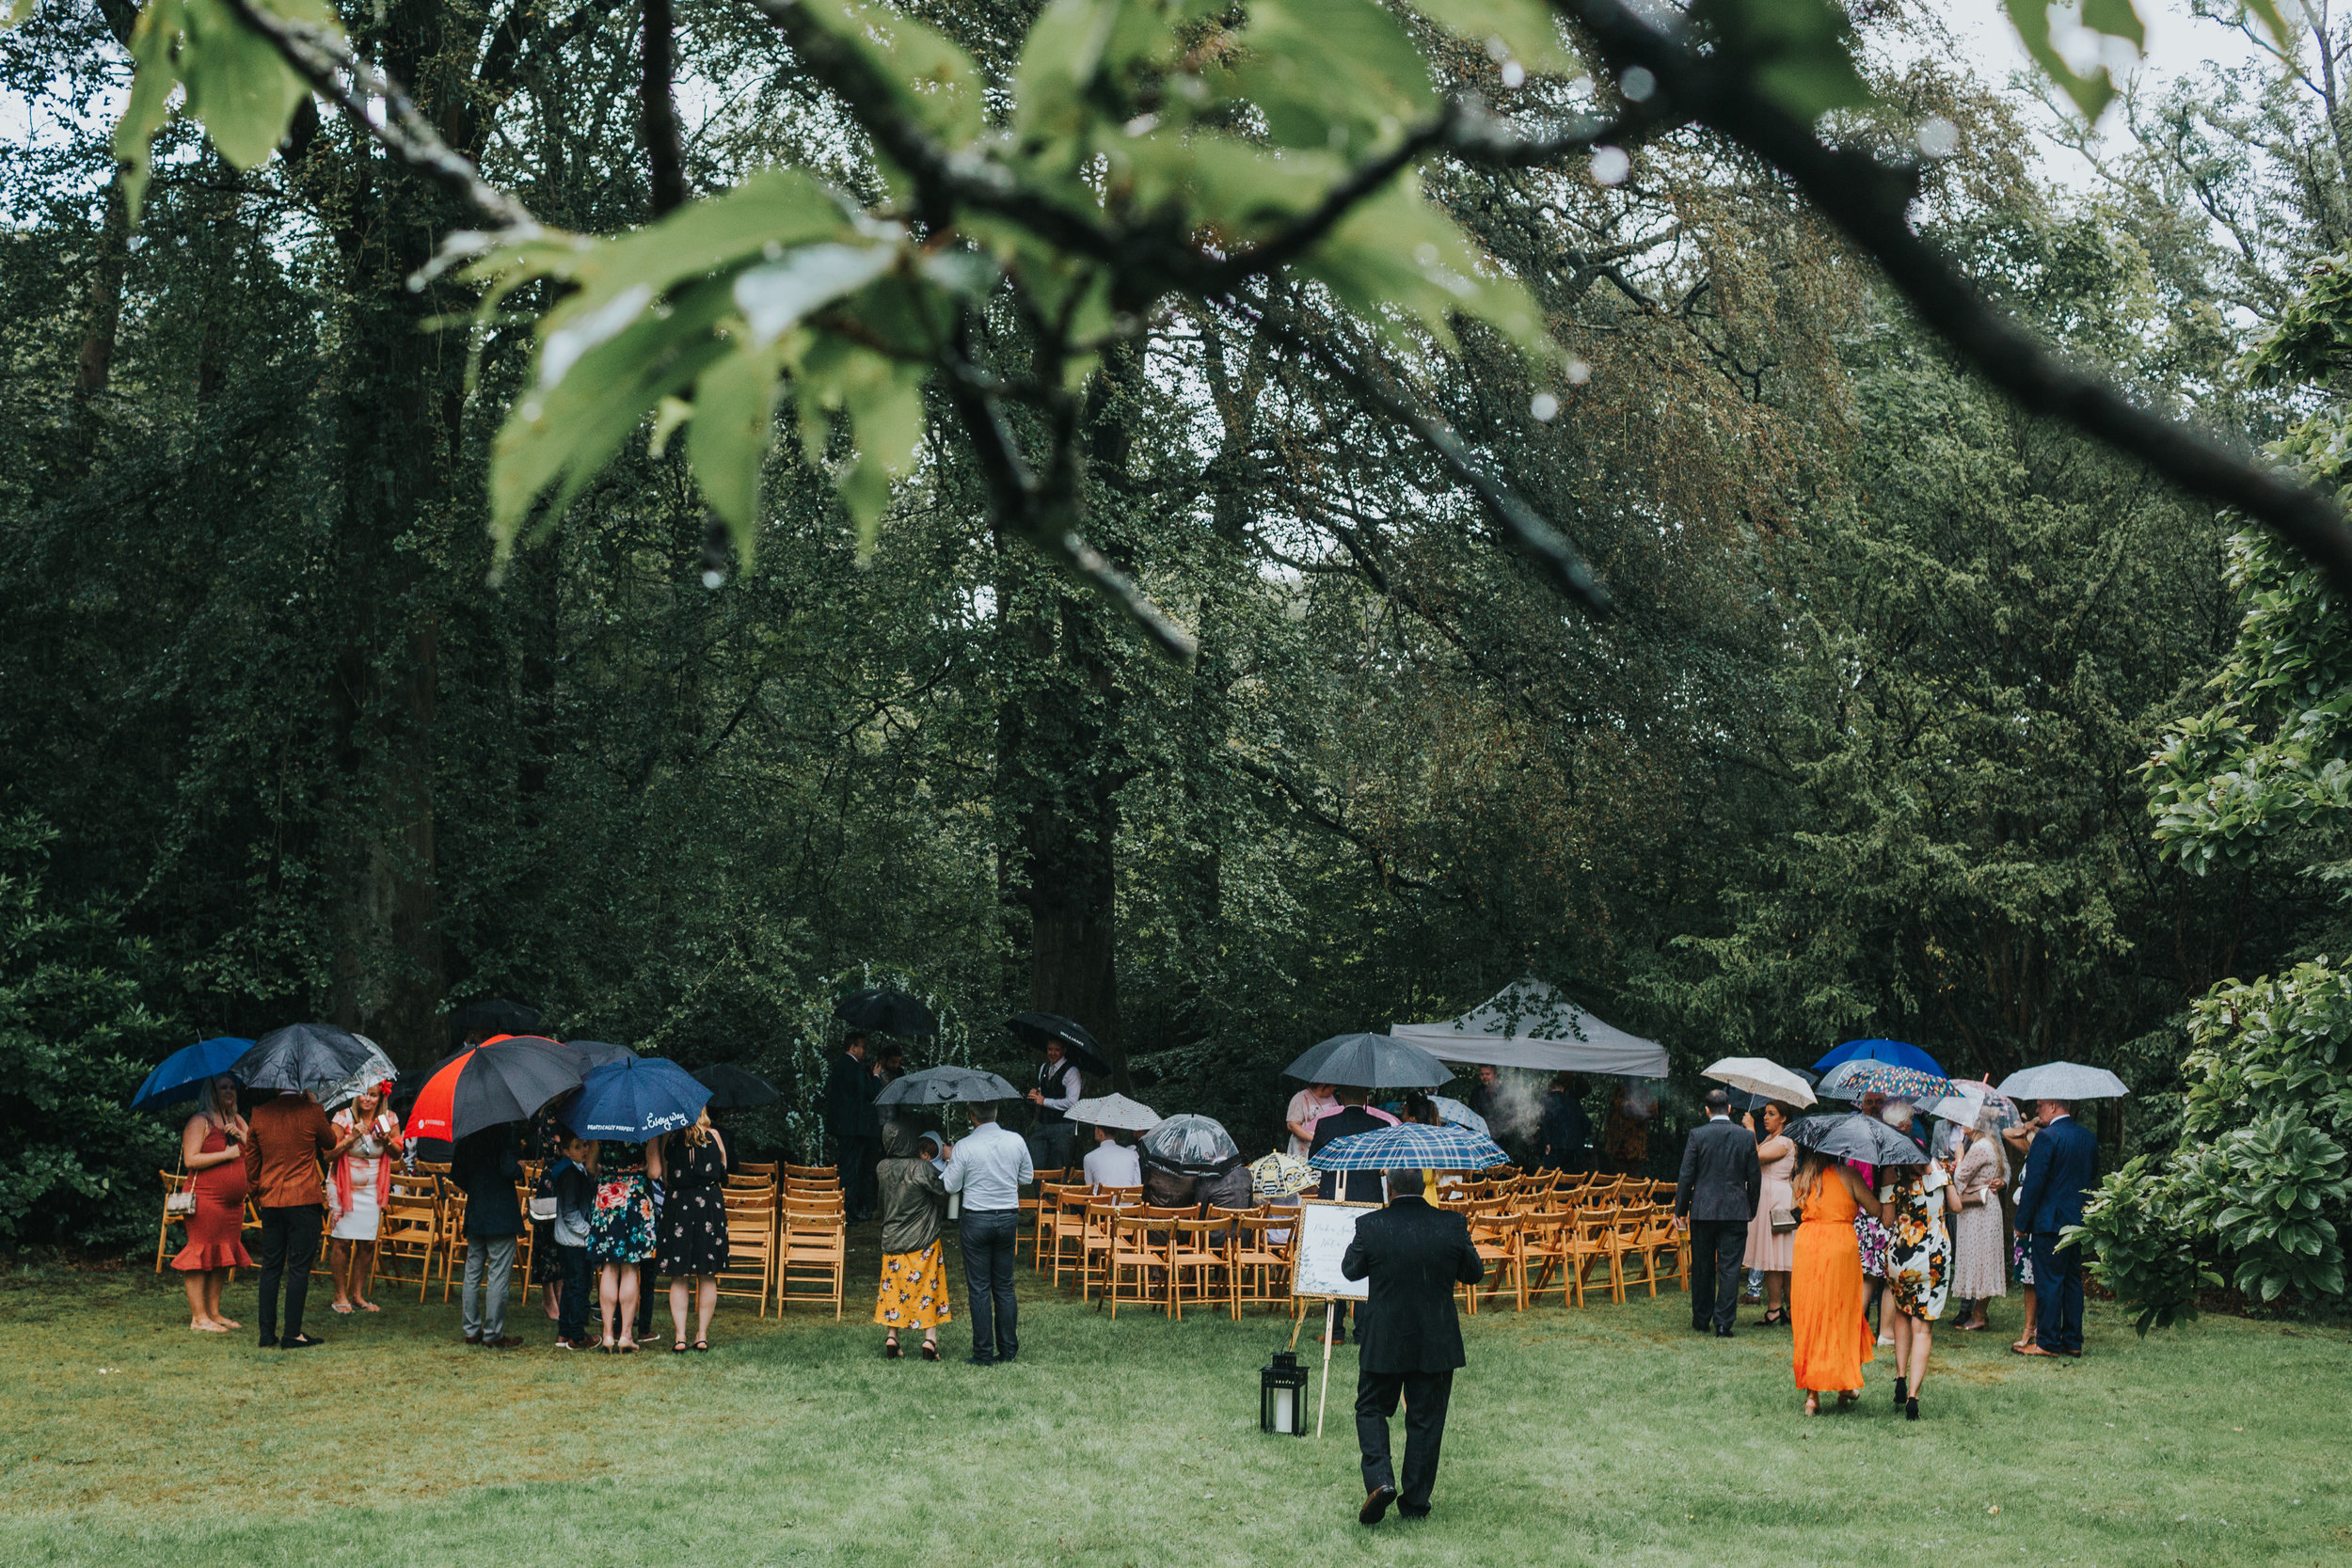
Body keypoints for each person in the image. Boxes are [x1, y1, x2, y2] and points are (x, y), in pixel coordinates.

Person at [1342, 1167, 1485, 1525]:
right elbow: (1474, 1273)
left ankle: (1380, 1480)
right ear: (1424, 1185)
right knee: (1426, 1420)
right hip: (1434, 1340)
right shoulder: (1451, 1224)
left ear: (1388, 1186)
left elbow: (1350, 1270)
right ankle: (1415, 1502)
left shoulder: (1371, 1225)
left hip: (1384, 1338)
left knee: (1371, 1409)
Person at [1789, 1146, 1885, 1416]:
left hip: (1808, 1247)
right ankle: (1844, 1383)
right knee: (1841, 1313)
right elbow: (1875, 1208)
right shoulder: (1850, 1175)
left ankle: (1812, 1396)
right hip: (1839, 1247)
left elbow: (1792, 1208)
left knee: (1811, 1315)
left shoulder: (1801, 1179)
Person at [245, 1085, 335, 1350]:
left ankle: (266, 1333)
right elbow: (330, 1142)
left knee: (271, 1265)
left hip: (271, 1199)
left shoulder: (260, 1113)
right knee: (299, 1267)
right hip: (303, 1199)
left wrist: (254, 1190)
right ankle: (292, 1333)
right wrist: (315, 1103)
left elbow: (251, 1157)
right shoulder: (311, 1112)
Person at [943, 1100, 1032, 1366]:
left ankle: (983, 1352)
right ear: (997, 1111)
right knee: (1004, 1285)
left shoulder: (965, 1146)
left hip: (977, 1218)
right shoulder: (1015, 1141)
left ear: (972, 1116)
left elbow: (950, 1186)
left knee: (979, 1288)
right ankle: (1008, 1350)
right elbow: (1026, 1178)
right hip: (1007, 1217)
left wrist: (950, 1160)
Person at [1674, 1087, 1762, 1337]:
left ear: (1707, 1110)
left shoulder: (1697, 1135)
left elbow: (1686, 1175)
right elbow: (1754, 1179)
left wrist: (1680, 1210)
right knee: (1730, 1268)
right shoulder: (1745, 1137)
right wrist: (1751, 1208)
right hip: (1735, 1211)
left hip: (1703, 1210)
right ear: (1730, 1109)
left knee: (1701, 1266)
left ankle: (1701, 1319)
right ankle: (1723, 1322)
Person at [2013, 1097, 2097, 1359]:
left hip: (2049, 1222)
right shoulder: (2088, 1137)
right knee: (2072, 1281)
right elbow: (2091, 1174)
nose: (2037, 1111)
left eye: (2040, 1106)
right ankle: (2072, 1340)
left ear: (2053, 1106)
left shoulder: (2047, 1138)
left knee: (2049, 1281)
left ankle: (2047, 1342)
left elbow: (2034, 1185)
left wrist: (2021, 1222)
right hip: (2078, 1221)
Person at [1880, 1153, 1963, 1419]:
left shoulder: (1892, 1172)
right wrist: (1946, 1175)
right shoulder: (1936, 1167)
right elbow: (1956, 1206)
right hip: (1933, 1257)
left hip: (1901, 1256)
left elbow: (1886, 1221)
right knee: (1922, 1328)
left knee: (1903, 1313)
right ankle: (1913, 1396)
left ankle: (1901, 1376)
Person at [1310, 1085, 1391, 1346]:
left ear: (1342, 1097)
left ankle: (1334, 1329)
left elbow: (1315, 1161)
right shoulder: (1380, 1124)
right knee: (1368, 1263)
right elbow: (1384, 1165)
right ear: (1367, 1097)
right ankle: (1364, 1330)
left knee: (1335, 1260)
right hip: (1368, 1199)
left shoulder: (1325, 1125)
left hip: (1334, 1198)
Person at [173, 1075, 252, 1332]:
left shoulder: (238, 1120)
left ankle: (214, 1313)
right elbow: (190, 1160)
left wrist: (239, 1136)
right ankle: (198, 1317)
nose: (229, 1091)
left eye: (232, 1087)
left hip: (233, 1203)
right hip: (207, 1199)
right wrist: (225, 1154)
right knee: (200, 1252)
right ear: (212, 1092)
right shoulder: (200, 1121)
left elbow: (256, 1151)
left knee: (222, 1253)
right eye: (223, 1087)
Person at [873, 1120, 952, 1360]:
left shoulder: (882, 1168)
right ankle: (930, 1339)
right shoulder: (922, 1168)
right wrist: (949, 1162)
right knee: (929, 1287)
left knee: (893, 1289)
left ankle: (892, 1336)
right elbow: (942, 1193)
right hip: (923, 1239)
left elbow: (881, 1203)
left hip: (892, 1240)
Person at [657, 1109, 730, 1352]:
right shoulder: (715, 1136)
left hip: (679, 1206)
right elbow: (723, 1172)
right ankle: (702, 1335)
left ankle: (680, 1337)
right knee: (707, 1274)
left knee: (680, 1275)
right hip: (709, 1206)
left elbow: (666, 1178)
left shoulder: (670, 1138)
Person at [452, 1124, 525, 1348]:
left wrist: (476, 1186)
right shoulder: (504, 1131)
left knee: (472, 1272)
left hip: (476, 1210)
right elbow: (508, 1169)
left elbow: (457, 1175)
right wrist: (520, 1167)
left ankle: (471, 1330)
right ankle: (493, 1333)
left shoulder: (466, 1134)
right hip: (500, 1212)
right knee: (498, 1274)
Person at [326, 1084, 397, 1315]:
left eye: (373, 1095)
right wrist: (350, 1139)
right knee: (342, 1241)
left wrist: (386, 1140)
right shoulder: (342, 1118)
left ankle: (357, 1294)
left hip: (372, 1189)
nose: (367, 1099)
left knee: (367, 1242)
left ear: (381, 1097)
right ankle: (339, 1295)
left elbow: (398, 1152)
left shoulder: (388, 1119)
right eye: (364, 1093)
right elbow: (328, 1154)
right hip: (342, 1186)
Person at [590, 1133, 663, 1353]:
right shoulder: (647, 1127)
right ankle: (626, 1335)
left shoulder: (600, 1125)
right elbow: (655, 1171)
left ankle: (607, 1335)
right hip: (635, 1197)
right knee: (631, 1268)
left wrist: (611, 1172)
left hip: (608, 1196)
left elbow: (591, 1167)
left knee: (609, 1267)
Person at [1741, 1102, 1799, 1327]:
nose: (1766, 1117)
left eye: (1771, 1114)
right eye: (1765, 1113)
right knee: (1778, 1256)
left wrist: (1750, 1129)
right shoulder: (1772, 1138)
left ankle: (1778, 1308)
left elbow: (1754, 1157)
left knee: (1777, 1256)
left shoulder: (1784, 1141)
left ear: (1783, 1118)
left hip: (1777, 1200)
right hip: (1768, 1196)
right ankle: (1785, 1307)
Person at [1949, 1125, 2008, 1331]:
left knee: (1982, 1259)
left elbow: (1959, 1179)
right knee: (1983, 1258)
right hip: (1983, 1208)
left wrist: (1959, 1155)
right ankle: (1977, 1314)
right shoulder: (1988, 1143)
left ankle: (1979, 1315)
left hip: (1979, 1211)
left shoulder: (1980, 1147)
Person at [543, 1135, 598, 1349]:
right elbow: (570, 1213)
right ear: (565, 1151)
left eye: (585, 1145)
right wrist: (589, 1233)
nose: (584, 1150)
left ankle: (564, 1332)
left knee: (570, 1286)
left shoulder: (573, 1170)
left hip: (568, 1238)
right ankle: (576, 1334)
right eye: (577, 1147)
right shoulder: (569, 1174)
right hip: (574, 1239)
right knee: (579, 1286)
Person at [825, 1033, 884, 1223]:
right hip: (854, 1128)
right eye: (863, 1047)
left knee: (846, 1168)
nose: (865, 1051)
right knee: (850, 1170)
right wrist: (875, 1077)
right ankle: (848, 1211)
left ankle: (845, 1208)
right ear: (853, 1047)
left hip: (843, 1126)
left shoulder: (841, 1065)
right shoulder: (854, 1068)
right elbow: (870, 1094)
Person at [1025, 1036, 1084, 1174]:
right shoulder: (1044, 1068)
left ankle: (1058, 1195)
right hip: (1042, 1124)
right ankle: (1040, 1195)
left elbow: (1071, 1102)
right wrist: (1037, 1092)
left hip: (1063, 1126)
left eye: (1056, 1050)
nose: (1052, 1053)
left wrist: (1044, 1101)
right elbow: (1045, 1089)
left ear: (1064, 1050)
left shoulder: (1072, 1071)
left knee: (1059, 1167)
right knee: (1036, 1165)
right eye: (1050, 1049)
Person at [1535, 1074, 1590, 1173]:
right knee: (1567, 1179)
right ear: (1562, 1089)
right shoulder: (1574, 1102)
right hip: (1572, 1148)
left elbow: (1545, 1121)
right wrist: (1579, 1140)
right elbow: (1586, 1123)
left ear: (1549, 1088)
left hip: (1553, 1147)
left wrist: (1546, 1142)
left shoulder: (1547, 1101)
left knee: (1550, 1178)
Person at [1602, 1081, 1649, 1174]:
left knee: (1634, 1173)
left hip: (1636, 1142)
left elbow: (1652, 1111)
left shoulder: (1644, 1092)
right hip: (1620, 1141)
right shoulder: (1620, 1091)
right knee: (1620, 1172)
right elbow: (1622, 1107)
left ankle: (1634, 1188)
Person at [1285, 1081, 1339, 1157]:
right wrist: (1315, 1140)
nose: (1334, 1088)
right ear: (1323, 1085)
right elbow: (1292, 1125)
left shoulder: (1331, 1098)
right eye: (1333, 1086)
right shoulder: (1301, 1097)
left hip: (1327, 1145)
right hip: (1306, 1145)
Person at [1081, 1123, 1141, 1190]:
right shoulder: (1132, 1155)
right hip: (1126, 1199)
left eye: (1095, 1128)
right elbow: (1137, 1187)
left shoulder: (1089, 1158)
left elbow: (1089, 1189)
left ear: (1100, 1131)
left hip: (1101, 1200)